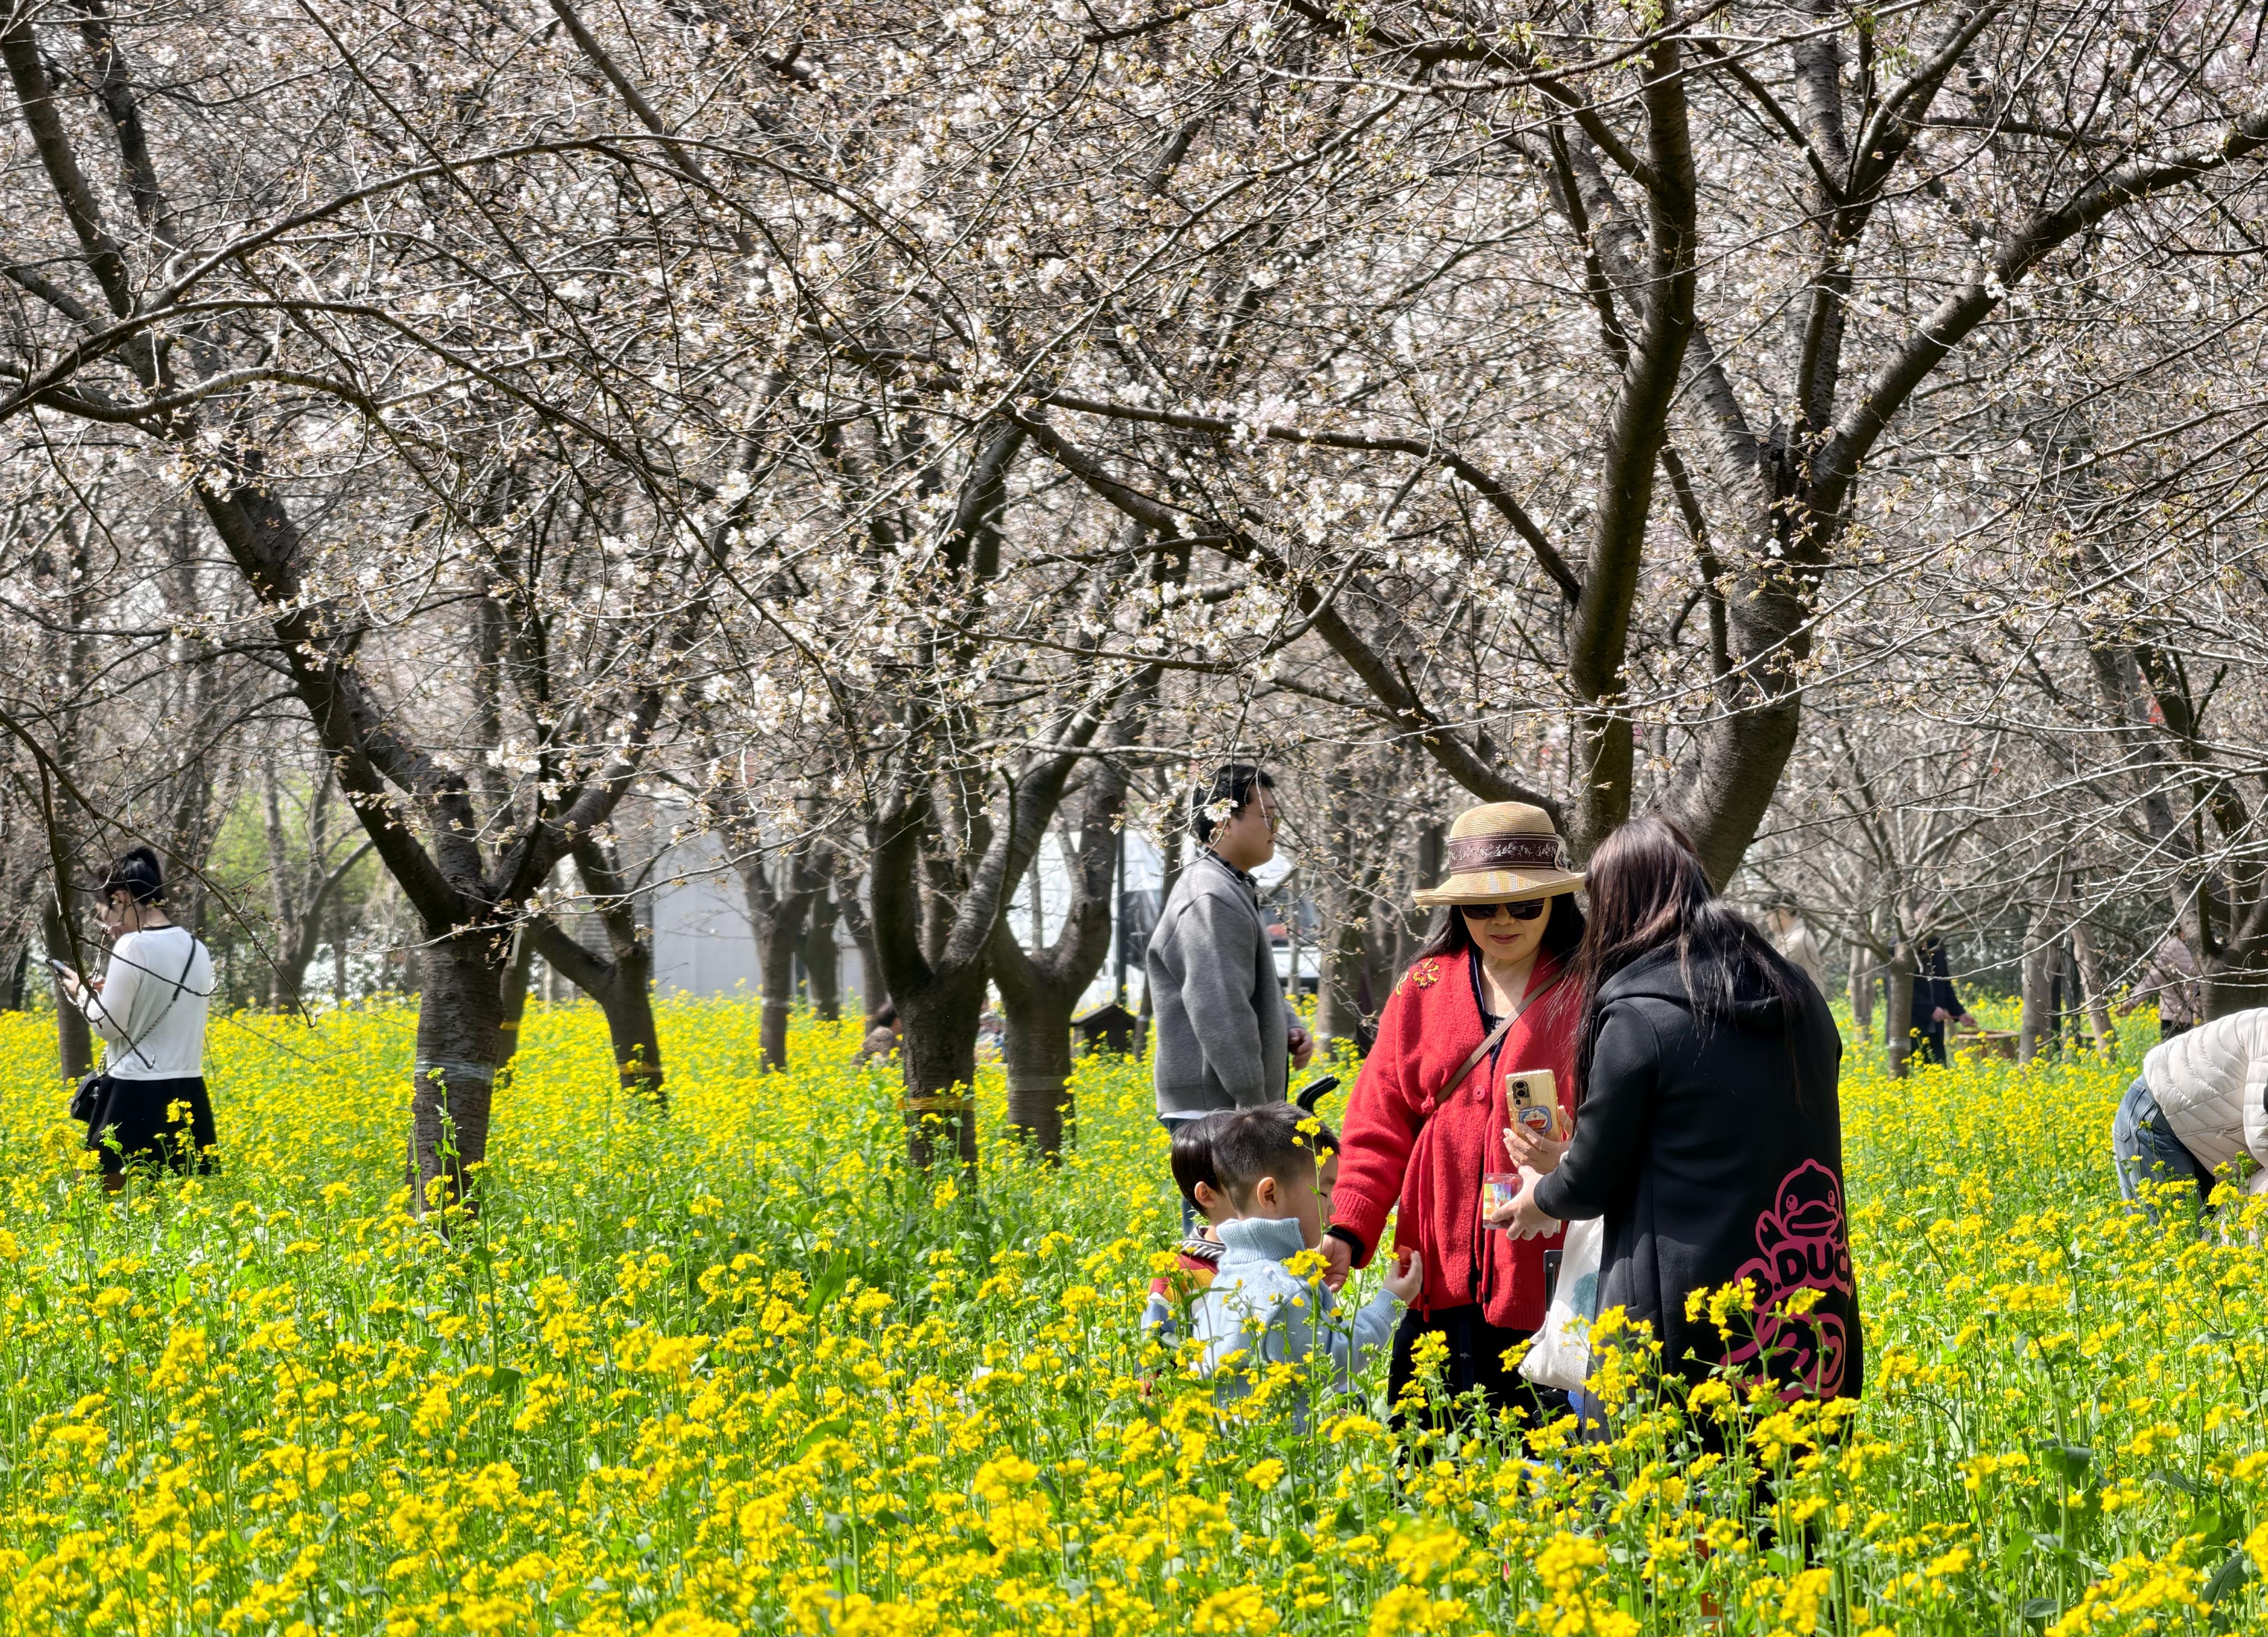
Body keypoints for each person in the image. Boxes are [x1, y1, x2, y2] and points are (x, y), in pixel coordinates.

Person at [1495, 816, 1863, 1406]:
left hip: (1685, 1323)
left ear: (1618, 906)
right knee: (1797, 1488)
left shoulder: (1641, 1015)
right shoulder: (1800, 997)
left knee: (1676, 1486)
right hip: (1809, 1301)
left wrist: (1540, 1191)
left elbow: (1592, 1181)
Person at [1320, 801, 1587, 1420]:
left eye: (1524, 905)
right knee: (1433, 1452)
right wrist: (1348, 1228)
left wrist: (1569, 1157)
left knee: (1545, 1459)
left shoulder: (1591, 987)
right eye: (1480, 907)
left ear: (1555, 903)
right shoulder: (1424, 988)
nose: (1502, 920)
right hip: (1435, 1269)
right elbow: (1378, 1125)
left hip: (1543, 1263)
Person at [1147, 764, 1315, 1222]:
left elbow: (1243, 984)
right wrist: (1260, 1113)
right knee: (1223, 1247)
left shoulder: (1228, 886)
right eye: (1267, 815)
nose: (1275, 828)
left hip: (1223, 1103)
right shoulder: (1210, 897)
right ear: (1223, 818)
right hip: (1216, 1107)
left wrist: (1289, 1025)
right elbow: (1219, 1007)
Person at [1192, 1103, 1421, 1408]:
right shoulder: (1283, 1291)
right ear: (1270, 1195)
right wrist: (1390, 1302)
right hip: (1284, 1450)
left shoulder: (1231, 1271)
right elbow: (1332, 1363)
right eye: (1324, 1192)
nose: (1333, 1208)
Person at [62, 846, 217, 1187]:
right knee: (177, 1207)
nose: (107, 928)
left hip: (133, 1090)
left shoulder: (133, 947)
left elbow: (107, 1027)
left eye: (104, 914)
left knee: (93, 1201)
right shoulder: (197, 948)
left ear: (120, 897)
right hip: (186, 1089)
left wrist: (82, 992)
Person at [2110, 1005, 2268, 1214]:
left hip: (2201, 1139)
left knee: (2213, 1240)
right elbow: (2262, 1138)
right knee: (2171, 1238)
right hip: (2152, 1121)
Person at [1909, 934, 1973, 1066]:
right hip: (1910, 1029)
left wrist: (1960, 1013)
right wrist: (1930, 1010)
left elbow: (1944, 984)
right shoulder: (1900, 947)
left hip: (1935, 1031)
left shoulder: (1936, 944)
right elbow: (1901, 992)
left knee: (1939, 1074)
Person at [2142, 936, 2201, 1041]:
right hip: (2174, 1020)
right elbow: (2154, 977)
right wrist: (2132, 1001)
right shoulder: (2172, 947)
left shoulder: (2201, 944)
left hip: (2198, 1019)